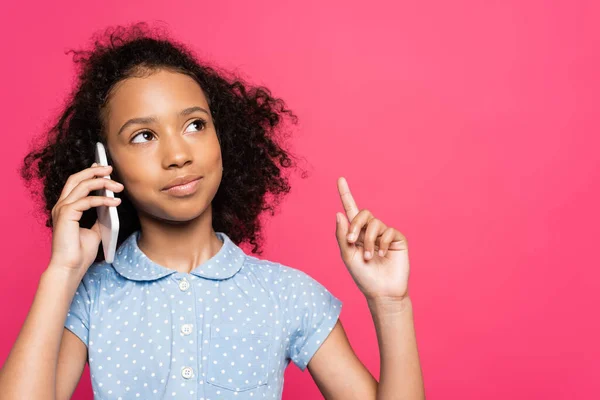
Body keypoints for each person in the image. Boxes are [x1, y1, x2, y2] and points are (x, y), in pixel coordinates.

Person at [0, 23, 425, 399]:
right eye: (145, 135)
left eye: (195, 125)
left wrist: (392, 303)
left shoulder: (287, 295)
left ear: (224, 139)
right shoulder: (89, 296)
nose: (178, 154)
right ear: (103, 164)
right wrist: (62, 271)